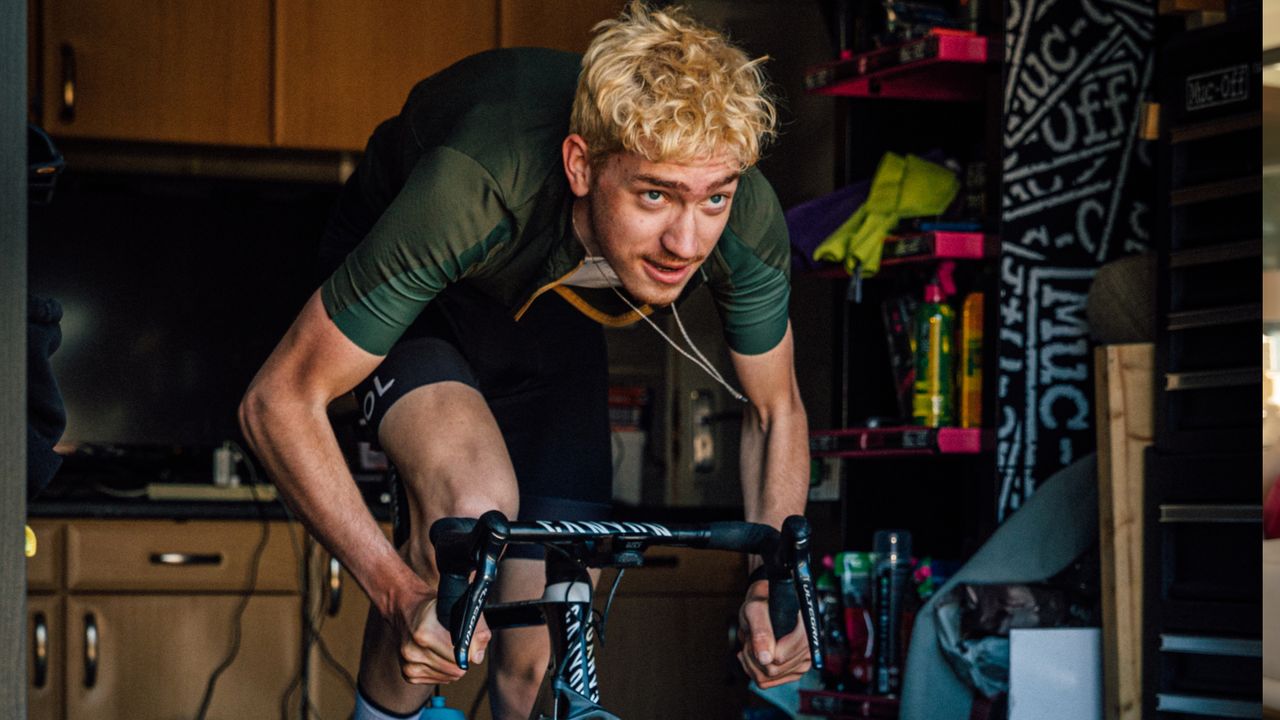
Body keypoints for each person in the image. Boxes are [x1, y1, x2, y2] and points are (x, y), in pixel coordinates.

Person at [239, 3, 811, 718]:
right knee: (466, 524)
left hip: (548, 312)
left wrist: (771, 583)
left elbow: (775, 407)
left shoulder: (740, 207)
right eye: (655, 195)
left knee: (548, 617)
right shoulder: (474, 185)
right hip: (428, 296)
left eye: (712, 200)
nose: (687, 242)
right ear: (580, 164)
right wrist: (397, 589)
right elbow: (275, 402)